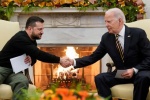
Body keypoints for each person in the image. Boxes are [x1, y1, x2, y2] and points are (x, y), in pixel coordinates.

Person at [66, 8, 150, 100]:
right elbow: (94, 57)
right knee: (100, 78)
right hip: (122, 73)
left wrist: (134, 70)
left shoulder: (138, 33)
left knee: (143, 78)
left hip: (140, 71)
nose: (106, 25)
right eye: (105, 22)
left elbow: (149, 56)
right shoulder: (107, 38)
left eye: (109, 22)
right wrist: (73, 62)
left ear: (120, 21)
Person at [0, 16, 71, 100]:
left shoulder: (32, 41)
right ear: (30, 28)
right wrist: (60, 60)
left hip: (14, 72)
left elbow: (34, 58)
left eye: (42, 29)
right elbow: (39, 54)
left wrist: (30, 59)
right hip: (2, 68)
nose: (42, 32)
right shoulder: (20, 38)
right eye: (40, 29)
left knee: (22, 81)